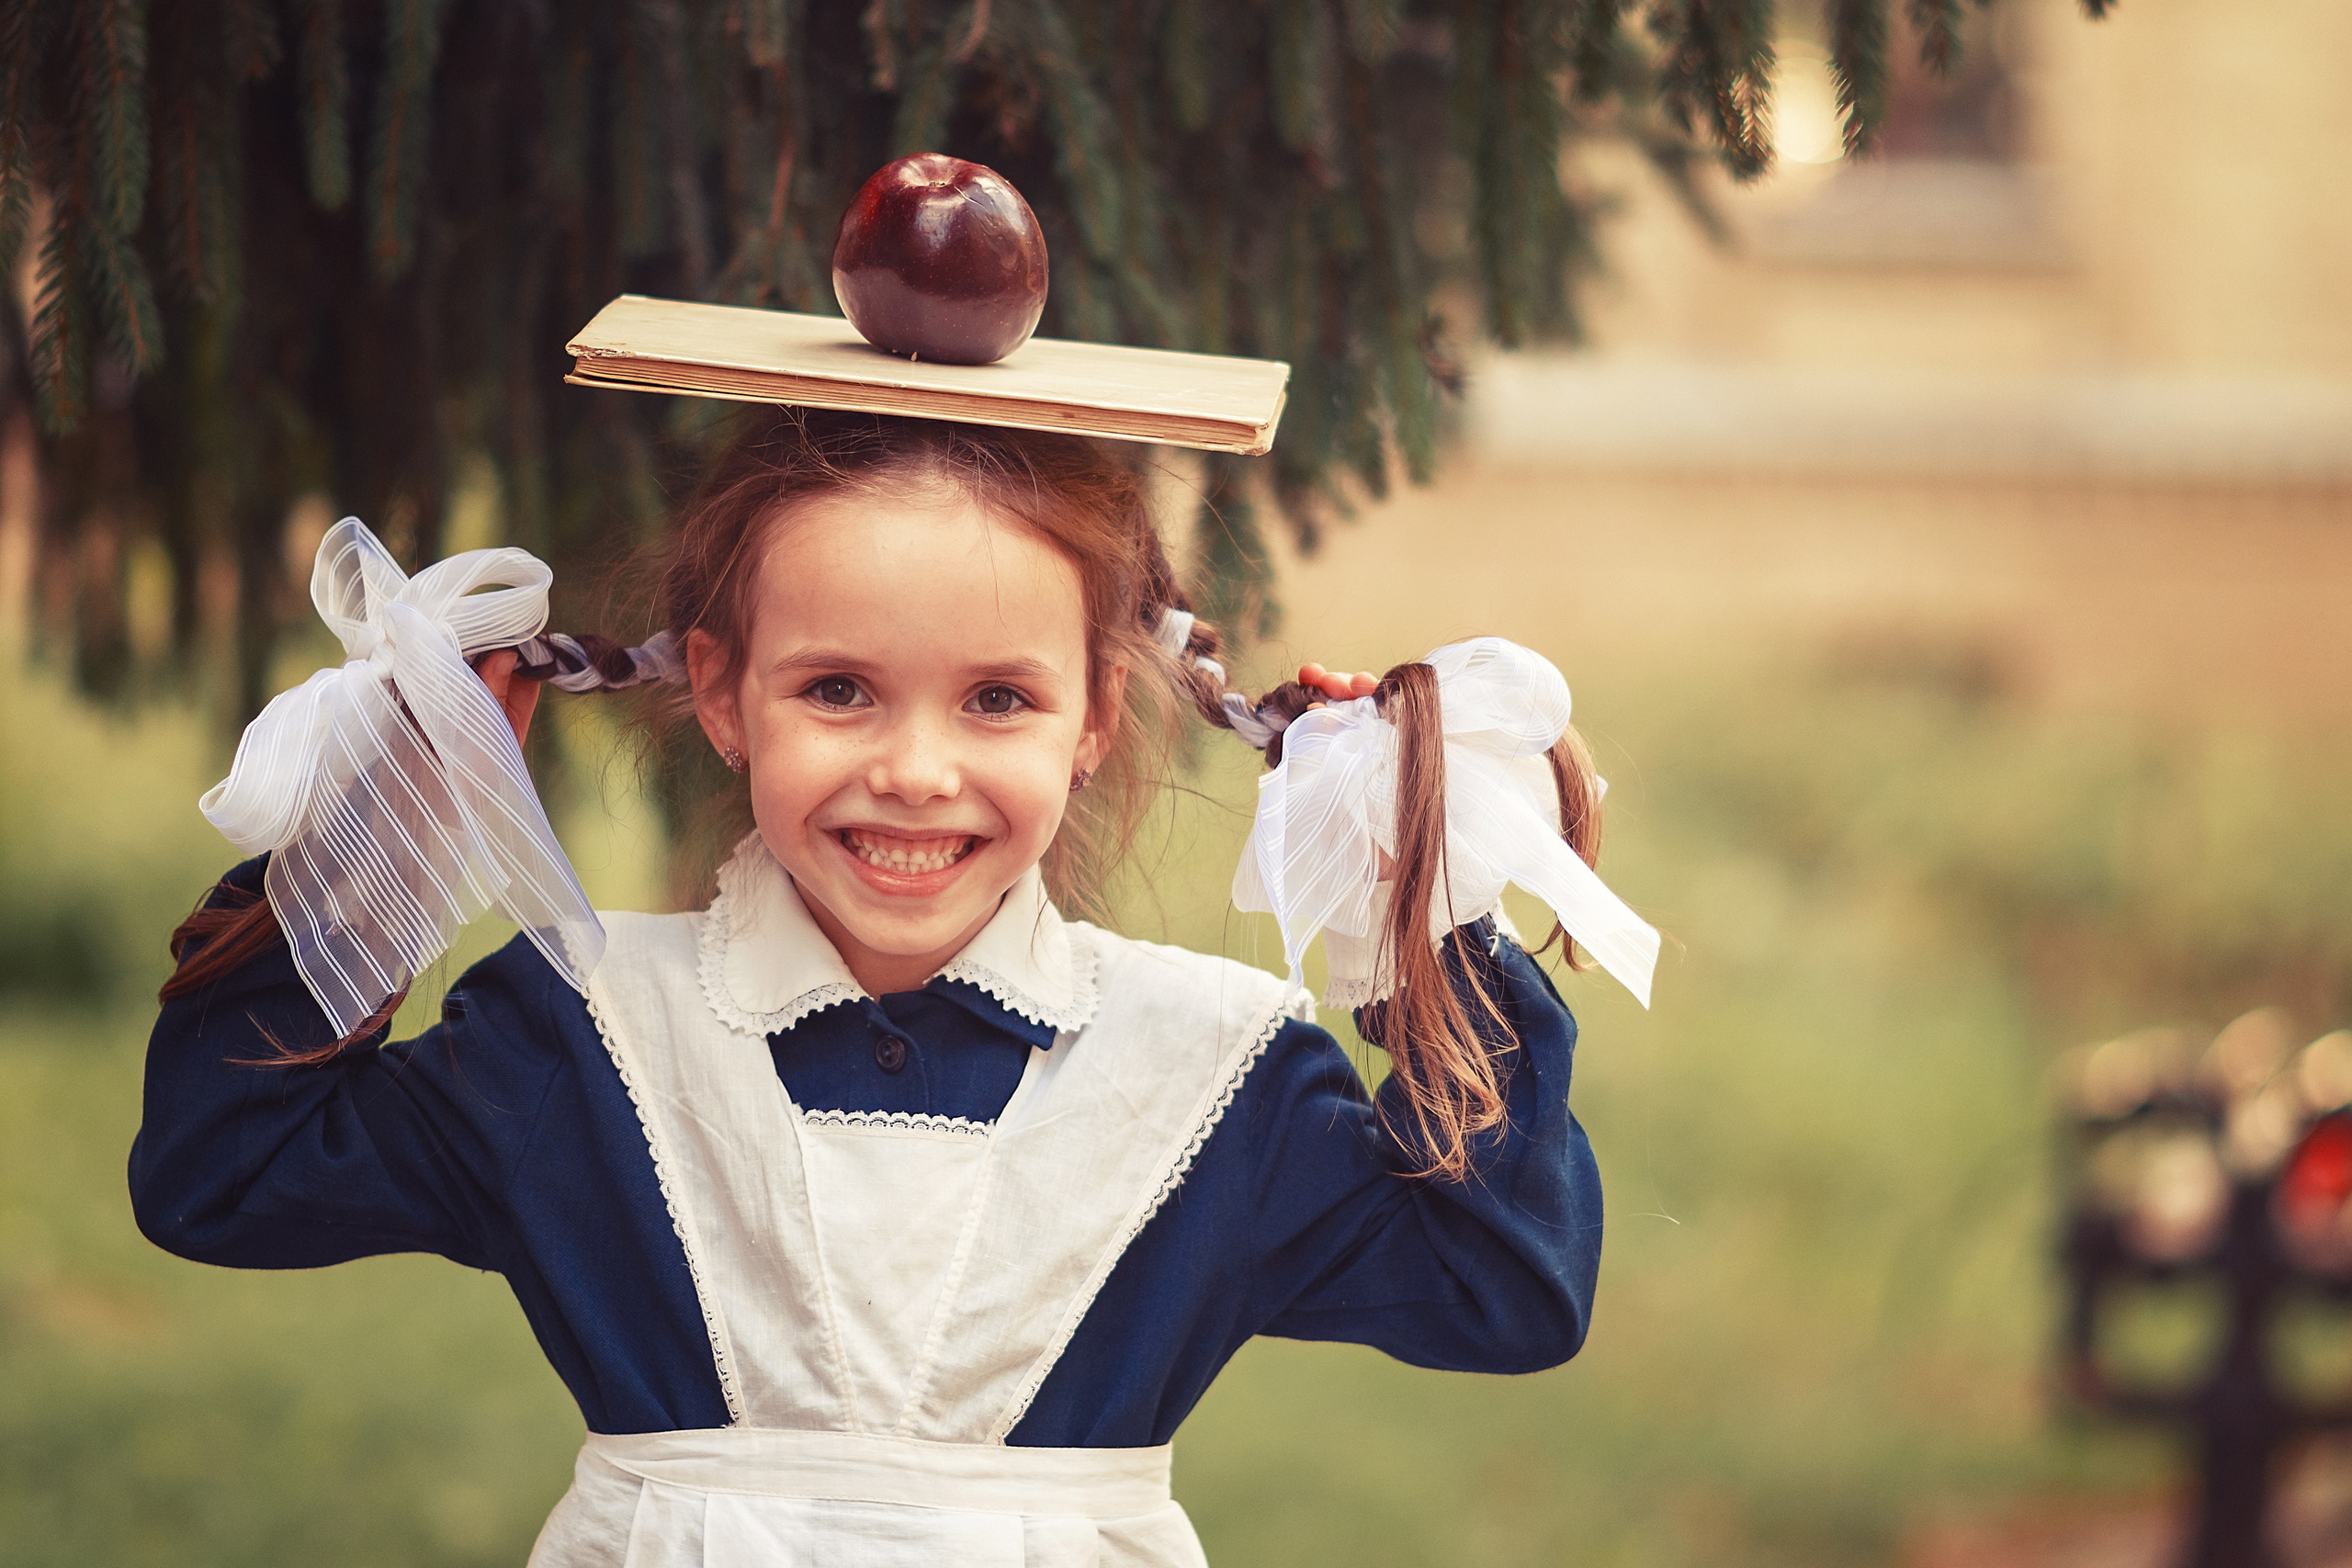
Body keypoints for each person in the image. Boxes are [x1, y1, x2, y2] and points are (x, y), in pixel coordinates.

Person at [133, 407, 1654, 1567]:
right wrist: (382, 834)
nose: (916, 770)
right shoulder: (581, 1033)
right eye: (839, 689)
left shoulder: (1217, 1076)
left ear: (1094, 718)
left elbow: (1504, 1284)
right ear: (726, 696)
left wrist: (1412, 893)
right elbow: (224, 1172)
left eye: (998, 698)